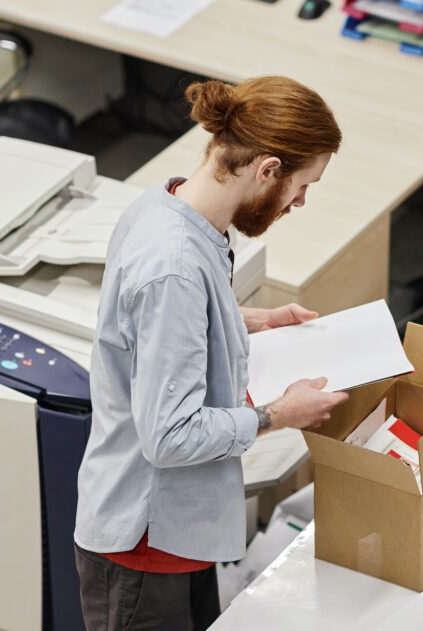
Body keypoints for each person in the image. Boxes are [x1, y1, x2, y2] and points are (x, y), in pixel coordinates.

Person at [73, 75, 348, 631]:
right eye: (302, 185)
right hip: (144, 548)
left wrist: (252, 321)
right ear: (267, 168)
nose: (300, 201)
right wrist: (278, 416)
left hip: (178, 534)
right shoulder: (173, 265)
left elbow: (160, 327)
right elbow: (170, 437)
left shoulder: (168, 205)